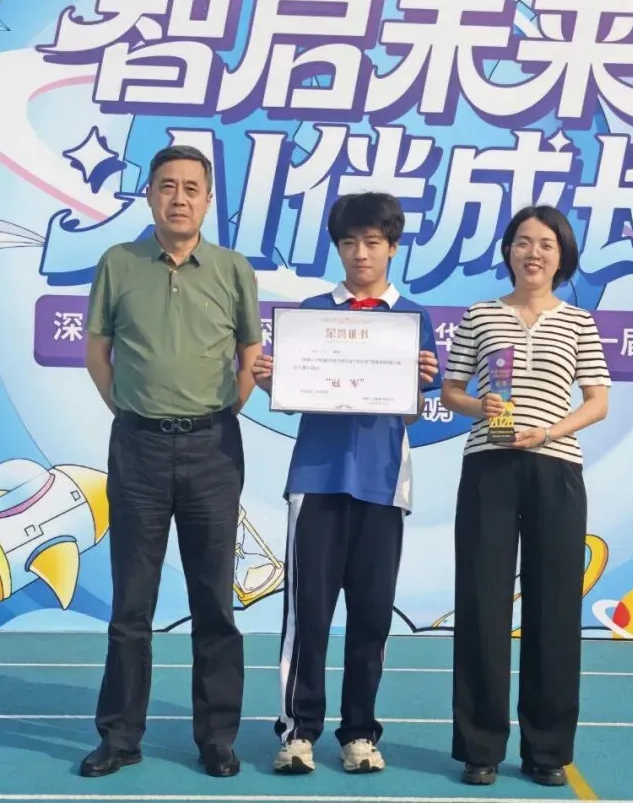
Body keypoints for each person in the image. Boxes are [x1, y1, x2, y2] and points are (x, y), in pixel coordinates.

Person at [80, 145, 262, 779]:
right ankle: (120, 737)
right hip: (138, 448)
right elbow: (98, 352)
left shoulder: (233, 269)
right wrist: (135, 411)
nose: (178, 198)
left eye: (191, 188)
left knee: (214, 602)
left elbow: (250, 354)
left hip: (214, 449)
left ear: (208, 200)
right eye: (166, 186)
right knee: (132, 605)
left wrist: (219, 413)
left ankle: (217, 739)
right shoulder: (119, 262)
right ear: (150, 195)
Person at [250, 191, 441, 776]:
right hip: (316, 480)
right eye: (350, 242)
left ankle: (359, 733)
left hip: (383, 484)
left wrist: (416, 384)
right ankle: (297, 732)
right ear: (337, 248)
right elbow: (292, 397)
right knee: (307, 615)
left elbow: (411, 415)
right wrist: (271, 382)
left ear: (393, 248)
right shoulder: (311, 314)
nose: (362, 253)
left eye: (373, 242)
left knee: (372, 618)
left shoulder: (413, 318)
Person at [439, 205, 611, 787]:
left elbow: (597, 401)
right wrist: (478, 405)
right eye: (522, 242)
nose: (533, 253)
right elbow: (452, 390)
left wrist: (551, 431)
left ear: (562, 257)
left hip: (556, 468)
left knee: (554, 608)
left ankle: (547, 749)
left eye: (545, 244)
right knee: (482, 603)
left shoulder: (578, 322)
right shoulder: (481, 314)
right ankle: (480, 747)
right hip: (488, 466)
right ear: (508, 251)